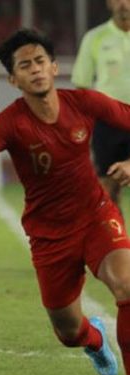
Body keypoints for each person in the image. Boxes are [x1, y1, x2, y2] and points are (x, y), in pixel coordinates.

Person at [0, 28, 130, 375]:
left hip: (96, 216)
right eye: (25, 65)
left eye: (40, 62)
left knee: (126, 284)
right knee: (68, 331)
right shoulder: (10, 122)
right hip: (49, 235)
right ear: (13, 79)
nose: (35, 70)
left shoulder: (83, 102)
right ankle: (95, 341)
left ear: (54, 67)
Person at [71, 0, 130, 214]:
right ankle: (118, 243)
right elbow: (82, 85)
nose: (123, 3)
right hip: (108, 123)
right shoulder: (94, 38)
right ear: (109, 3)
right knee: (108, 188)